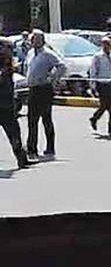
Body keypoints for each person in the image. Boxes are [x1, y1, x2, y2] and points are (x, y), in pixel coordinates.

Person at [25, 29, 65, 160]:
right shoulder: (30, 53)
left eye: (35, 38)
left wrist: (51, 78)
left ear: (41, 40)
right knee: (32, 120)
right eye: (31, 39)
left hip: (44, 89)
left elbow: (61, 66)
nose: (32, 41)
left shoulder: (48, 54)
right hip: (33, 88)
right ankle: (31, 149)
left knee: (46, 119)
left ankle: (50, 148)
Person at [0, 39, 29, 169]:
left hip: (8, 106)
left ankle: (22, 159)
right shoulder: (3, 65)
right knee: (14, 132)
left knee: (14, 133)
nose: (11, 52)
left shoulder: (8, 64)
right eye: (9, 49)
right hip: (3, 106)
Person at [89, 34, 111, 137]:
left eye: (109, 44)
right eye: (105, 44)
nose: (107, 46)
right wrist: (93, 85)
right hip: (102, 83)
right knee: (105, 105)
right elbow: (93, 71)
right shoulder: (98, 56)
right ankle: (94, 118)